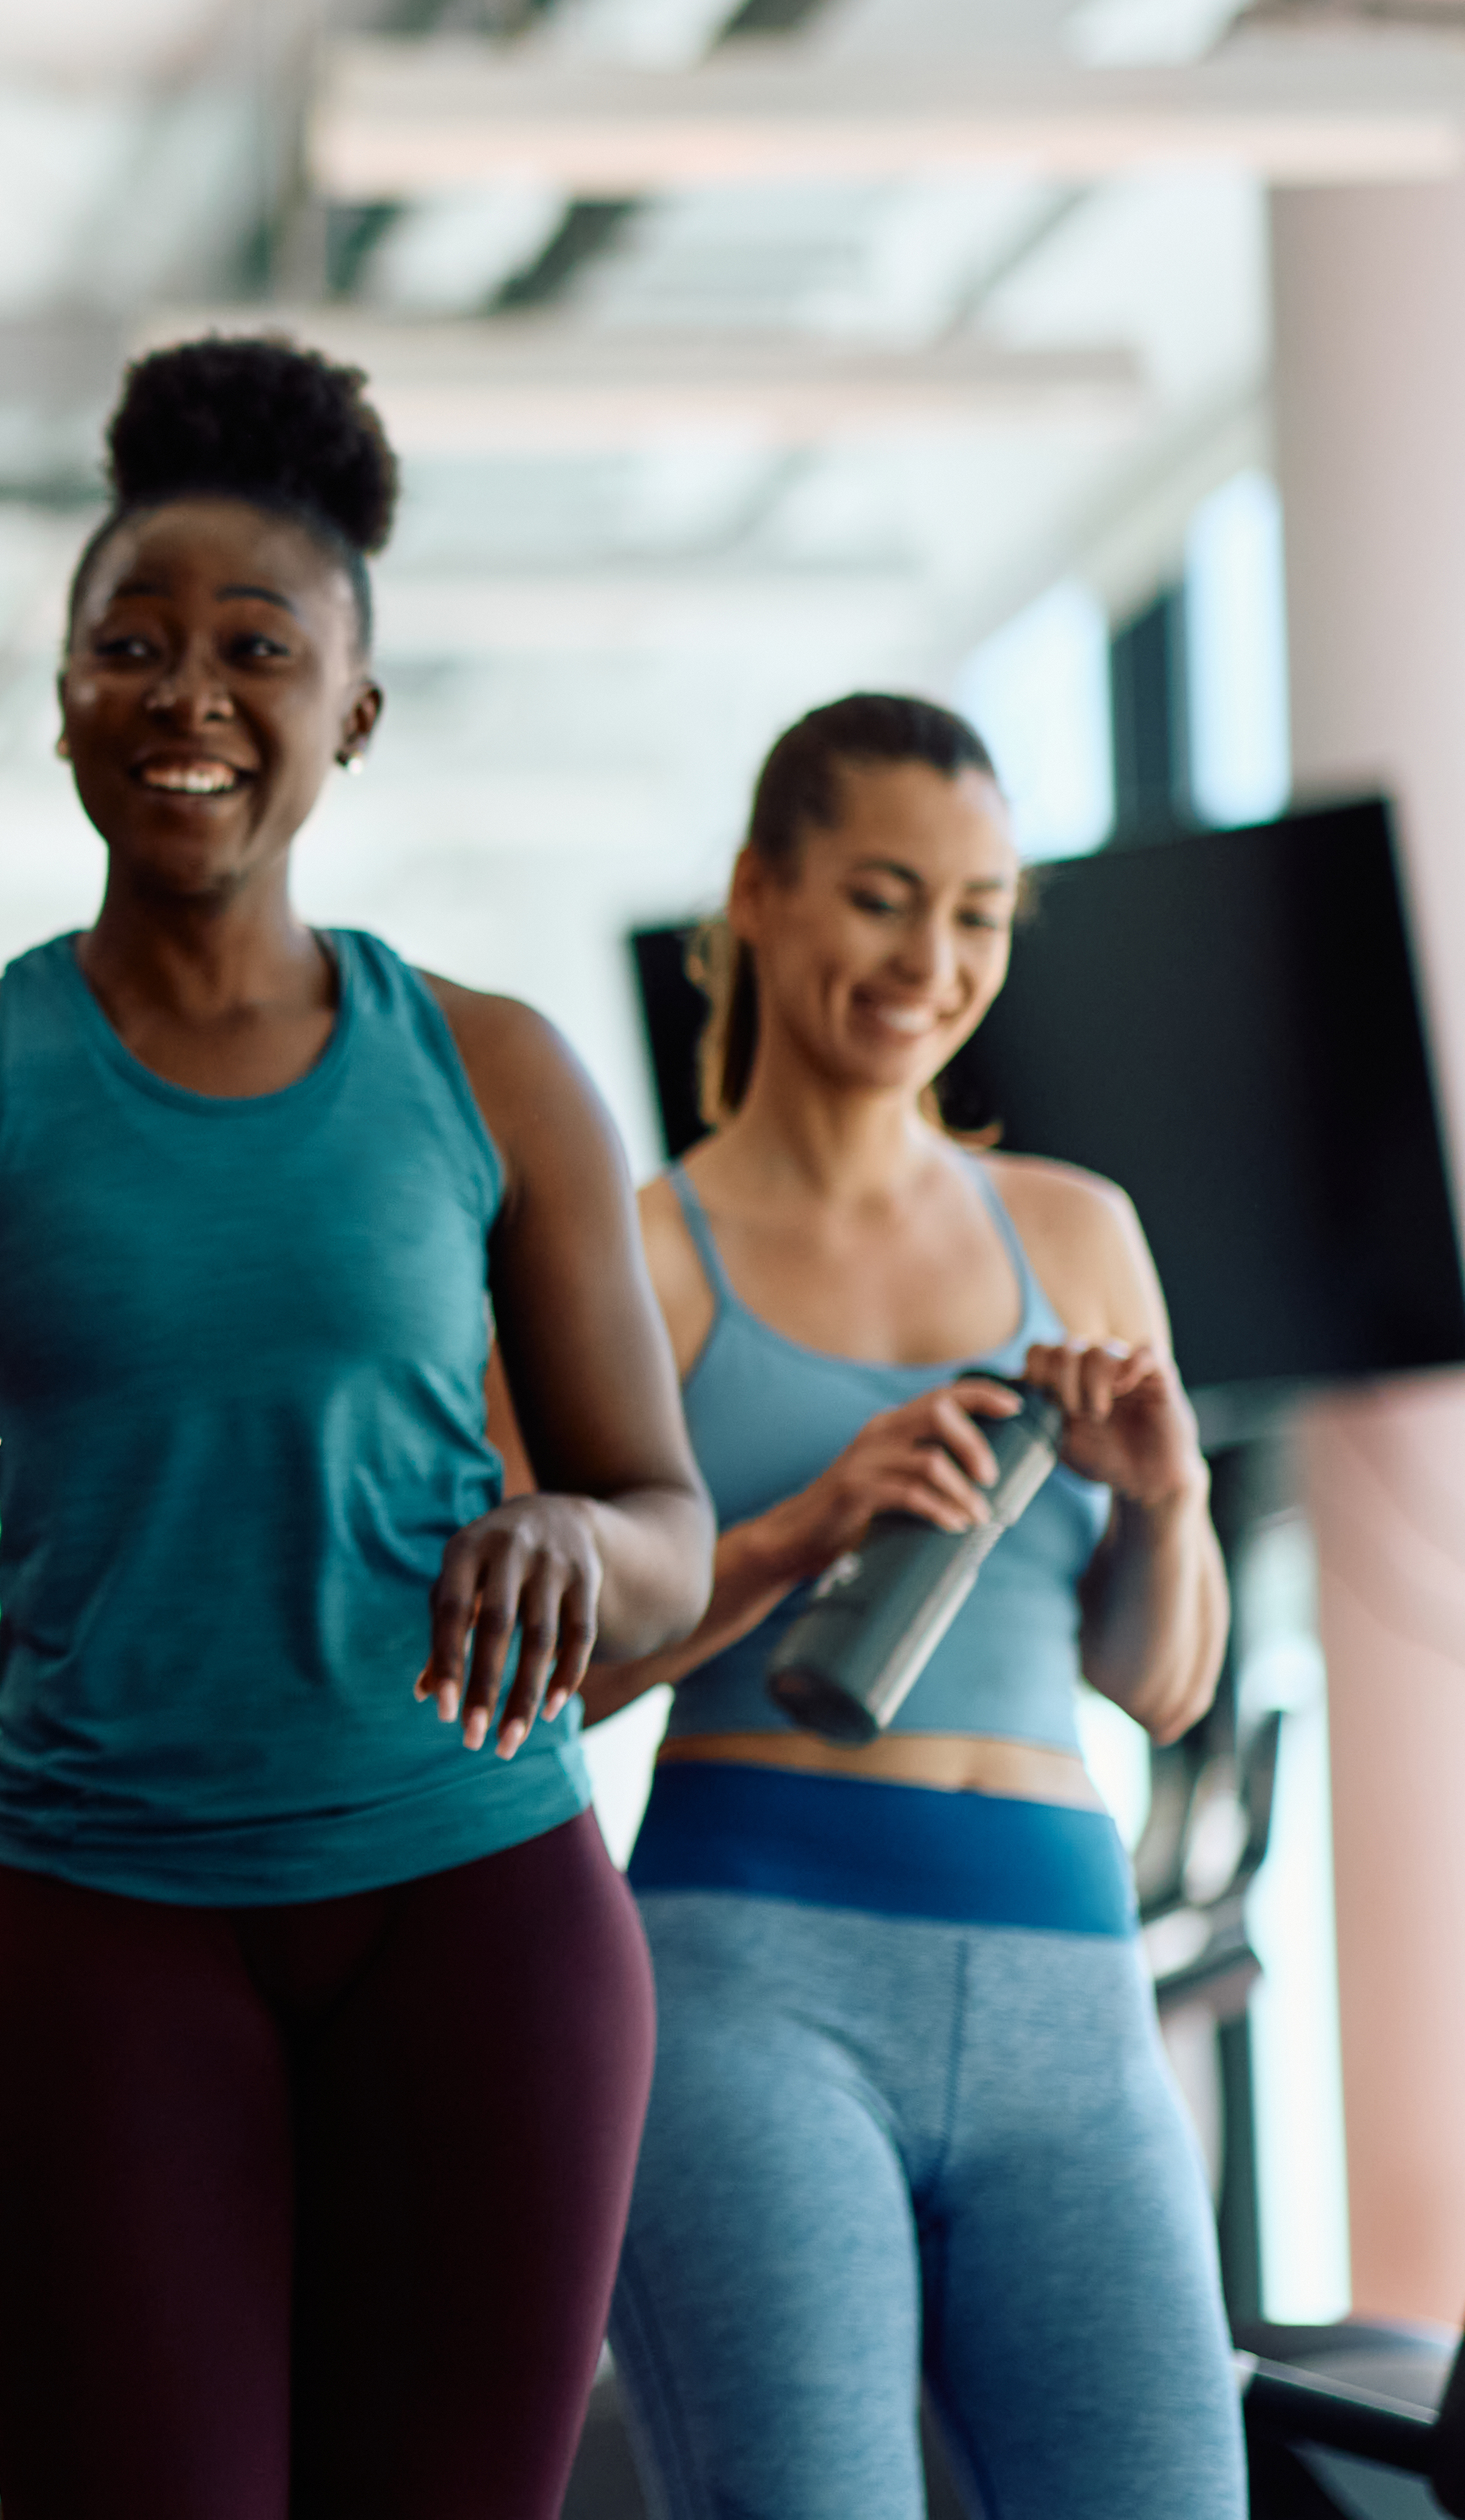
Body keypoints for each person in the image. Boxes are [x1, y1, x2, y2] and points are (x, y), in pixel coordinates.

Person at [0, 335, 715, 2520]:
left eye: (258, 648)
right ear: (61, 691)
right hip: (104, 1926)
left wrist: (576, 1549)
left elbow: (666, 1523)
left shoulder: (496, 1070)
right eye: (132, 642)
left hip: (482, 1911)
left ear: (351, 707)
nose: (189, 694)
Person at [587, 692, 1238, 2517]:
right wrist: (803, 1526)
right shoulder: (640, 1256)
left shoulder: (1080, 1229)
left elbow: (1162, 1684)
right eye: (883, 896)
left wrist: (1168, 1500)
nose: (929, 959)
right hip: (752, 1980)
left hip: (1070, 1990)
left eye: (974, 913)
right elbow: (540, 1686)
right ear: (760, 893)